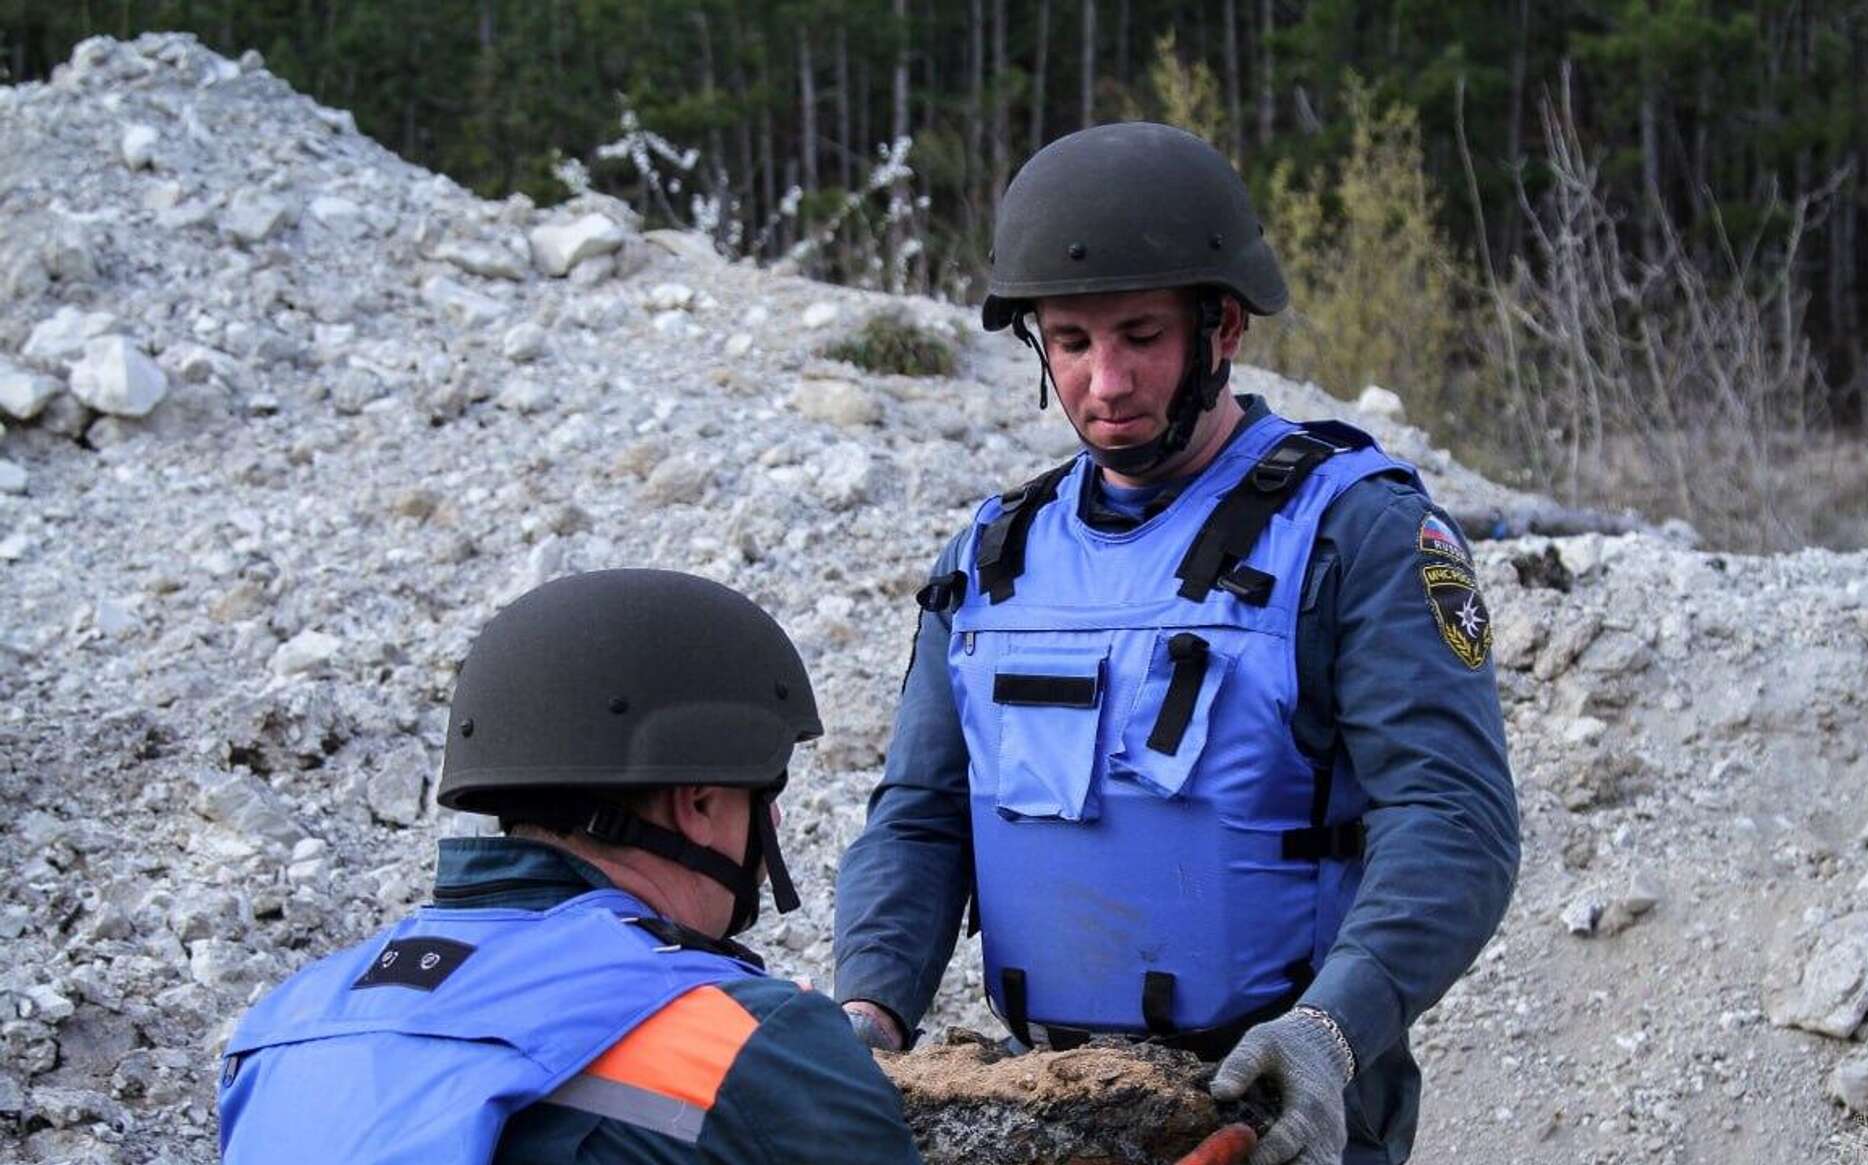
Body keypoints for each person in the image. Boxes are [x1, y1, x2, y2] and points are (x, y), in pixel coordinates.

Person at [832, 122, 1519, 1165]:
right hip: (1040, 1109)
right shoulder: (988, 555)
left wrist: (1329, 1035)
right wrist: (870, 1010)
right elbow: (922, 817)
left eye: (1139, 335)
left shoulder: (1358, 531)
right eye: (1069, 341)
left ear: (1222, 327)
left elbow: (1451, 820)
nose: (1103, 383)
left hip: (1274, 1104)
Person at [218, 569, 922, 1165]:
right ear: (699, 802)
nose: (770, 826)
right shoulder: (754, 1040)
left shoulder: (282, 1024)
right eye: (766, 793)